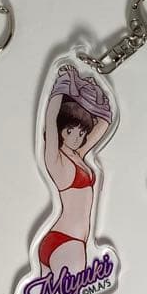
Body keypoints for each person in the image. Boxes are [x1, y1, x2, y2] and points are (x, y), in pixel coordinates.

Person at [37, 64, 112, 280]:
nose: (77, 137)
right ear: (61, 131)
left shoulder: (78, 154)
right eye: (70, 131)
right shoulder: (55, 159)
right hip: (68, 241)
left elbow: (105, 121)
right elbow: (51, 119)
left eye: (81, 132)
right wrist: (61, 86)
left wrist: (83, 88)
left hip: (67, 241)